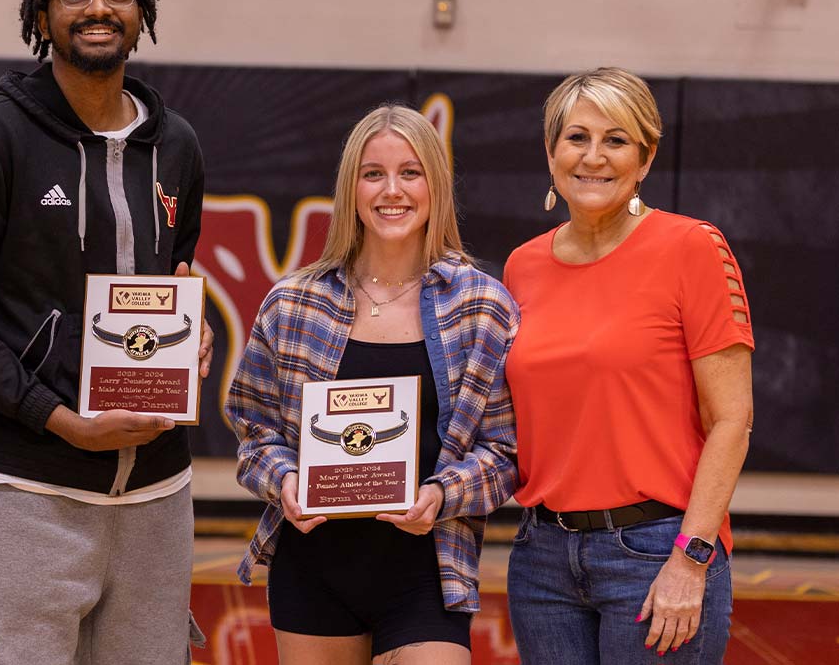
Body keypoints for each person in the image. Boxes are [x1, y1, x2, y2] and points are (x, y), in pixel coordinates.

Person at [0, 0, 211, 664]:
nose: (98, 8)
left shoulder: (177, 146)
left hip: (156, 497)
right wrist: (59, 420)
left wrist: (189, 336)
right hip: (23, 488)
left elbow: (172, 282)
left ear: (141, 14)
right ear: (42, 18)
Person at [226, 105, 520, 665]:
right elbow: (253, 432)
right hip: (312, 570)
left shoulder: (482, 305)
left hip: (428, 569)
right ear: (350, 188)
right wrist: (285, 481)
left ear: (435, 185)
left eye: (411, 173)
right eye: (373, 173)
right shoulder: (293, 303)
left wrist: (441, 495)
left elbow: (505, 450)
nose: (392, 191)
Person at [503, 67, 754, 663]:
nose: (594, 157)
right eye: (577, 138)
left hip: (656, 551)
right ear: (551, 152)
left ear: (645, 159)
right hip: (542, 560)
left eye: (616, 140)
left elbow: (732, 420)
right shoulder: (521, 267)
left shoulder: (692, 247)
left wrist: (690, 558)